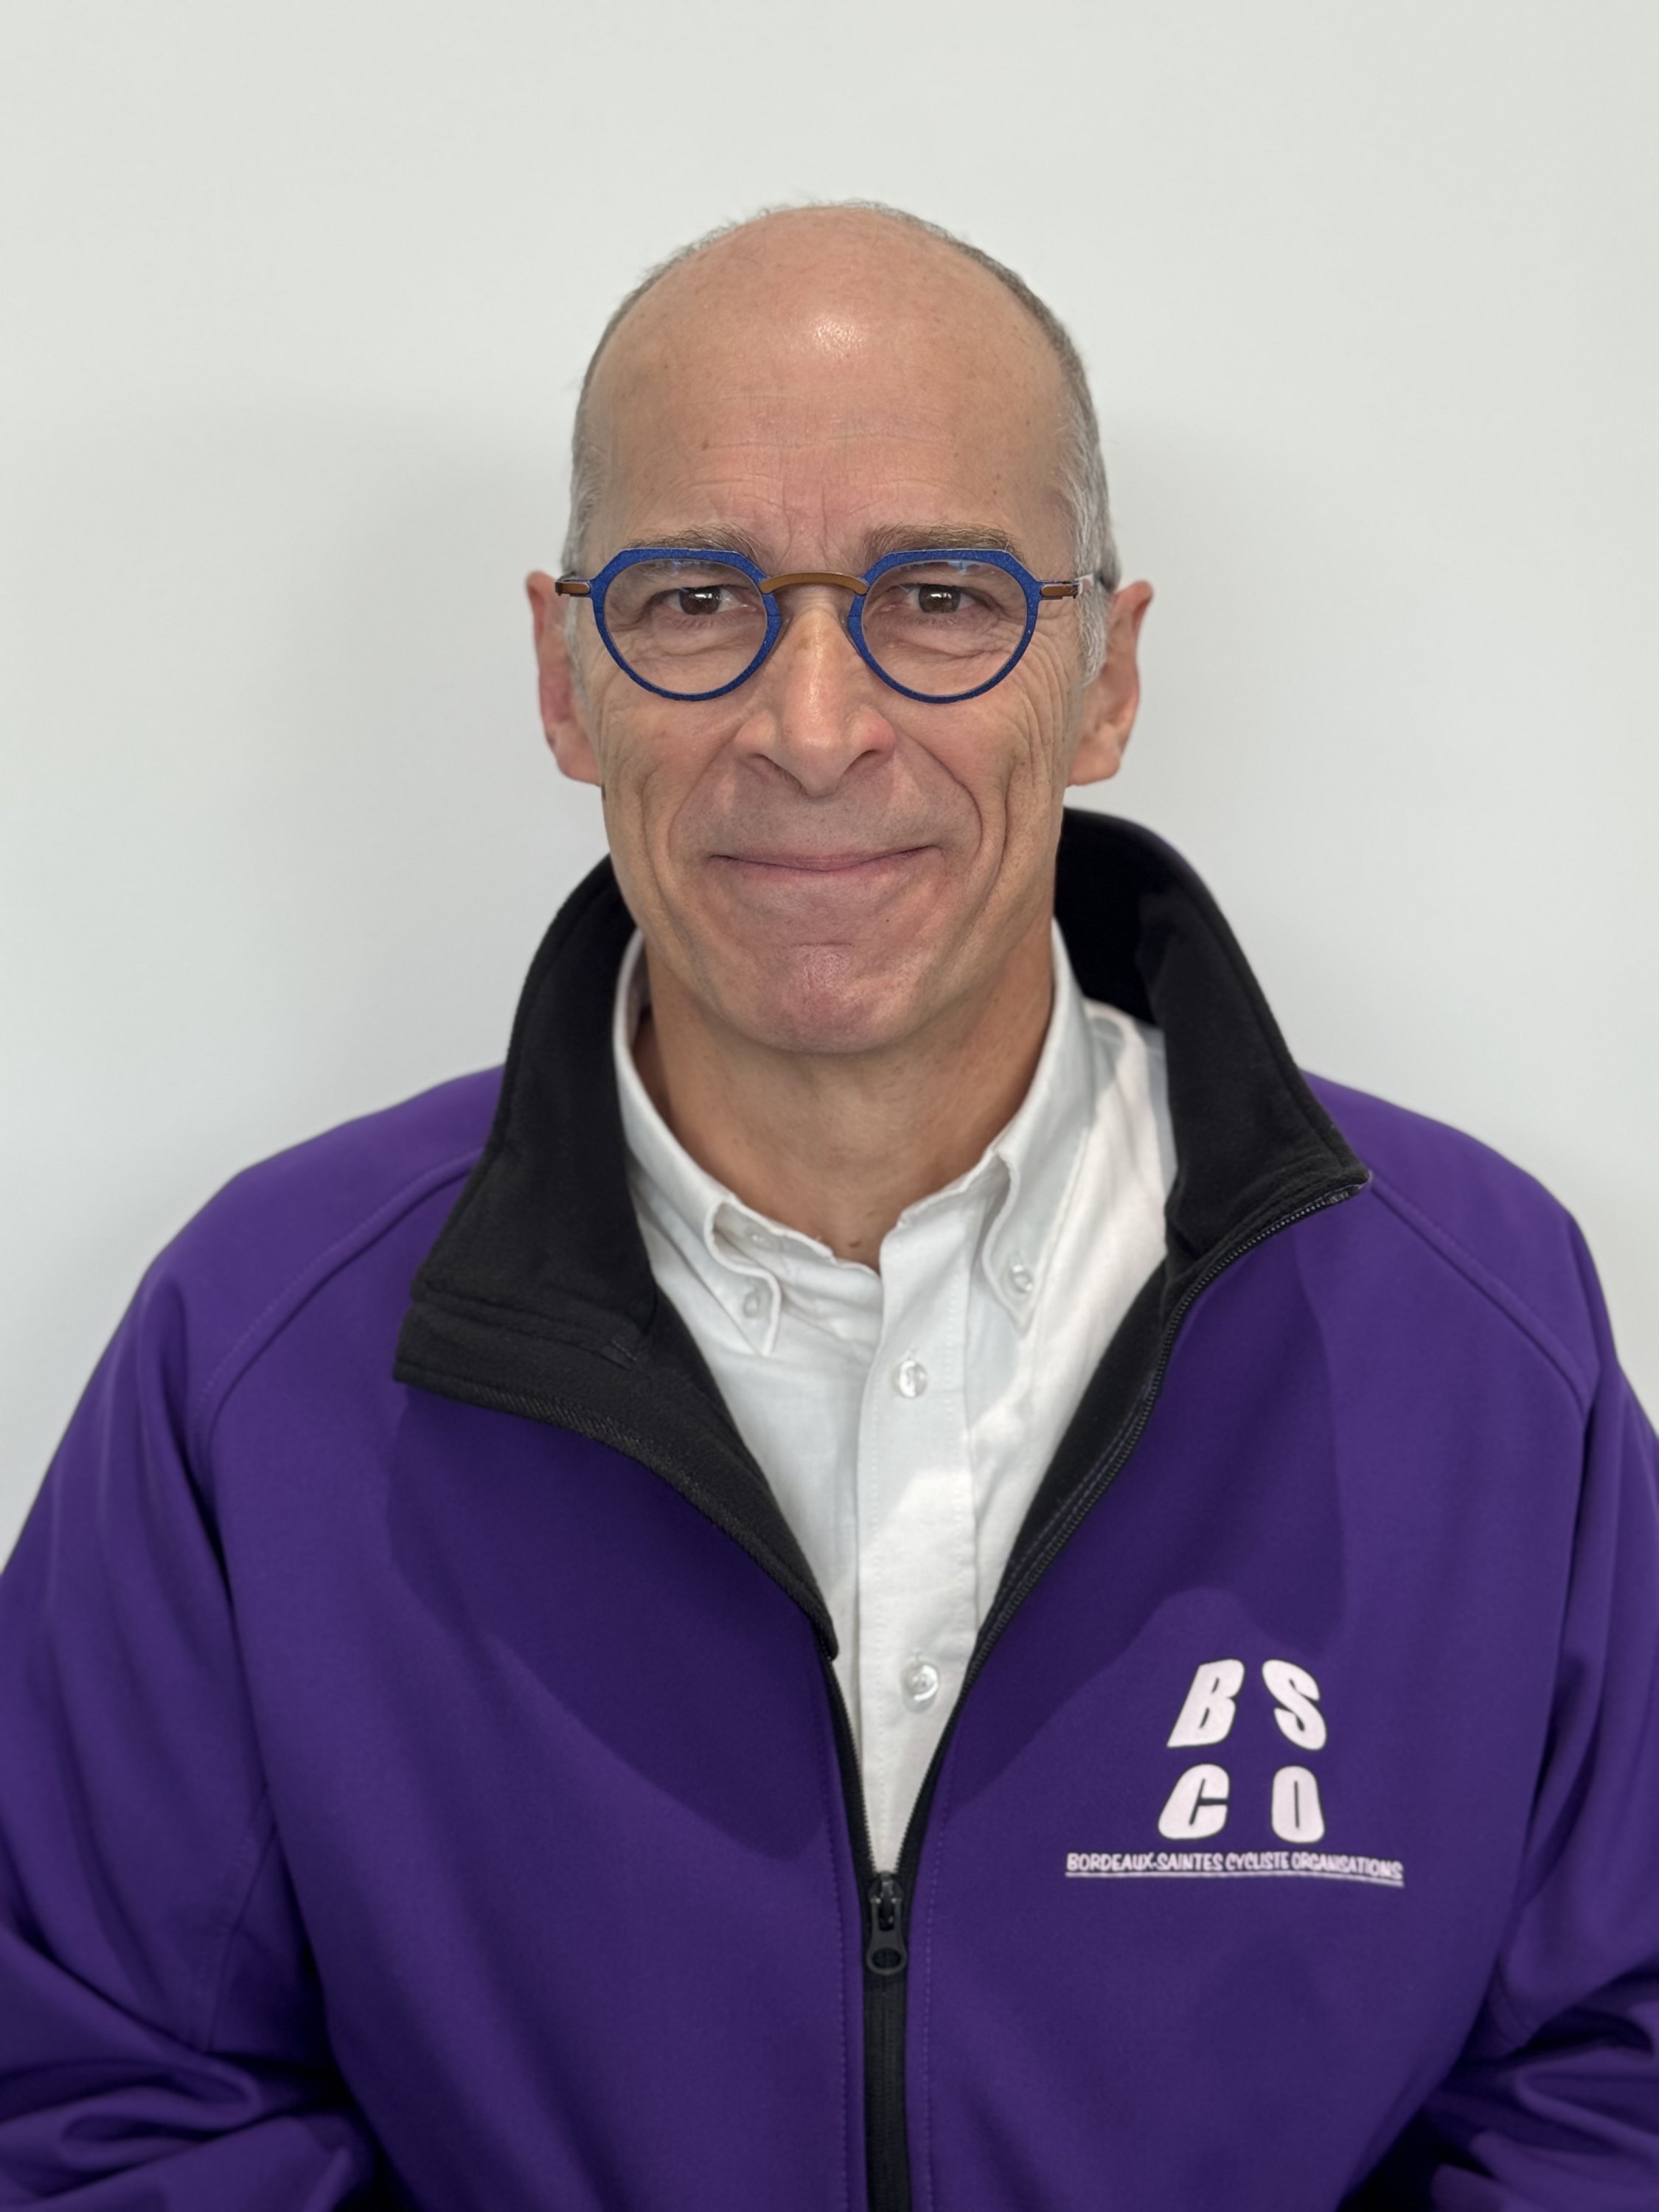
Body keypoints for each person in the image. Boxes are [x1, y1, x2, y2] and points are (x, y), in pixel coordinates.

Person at [1, 202, 1655, 2212]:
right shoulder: (260, 1353)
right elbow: (94, 2098)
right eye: (695, 598)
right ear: (564, 679)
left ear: (1107, 673)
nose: (810, 726)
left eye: (941, 597)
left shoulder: (1476, 1335)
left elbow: (1617, 2075)